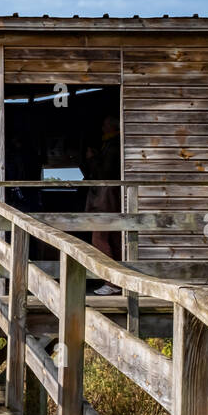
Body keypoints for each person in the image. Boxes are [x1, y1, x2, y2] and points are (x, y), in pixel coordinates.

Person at [83, 113, 121, 295]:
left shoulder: (113, 147)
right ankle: (118, 281)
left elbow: (106, 172)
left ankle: (112, 282)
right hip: (109, 196)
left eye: (106, 125)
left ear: (113, 127)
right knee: (114, 238)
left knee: (100, 238)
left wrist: (92, 158)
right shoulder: (110, 145)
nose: (102, 128)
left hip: (107, 196)